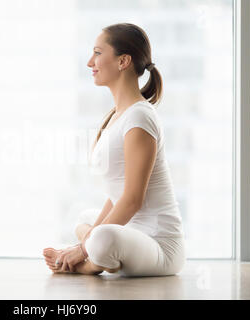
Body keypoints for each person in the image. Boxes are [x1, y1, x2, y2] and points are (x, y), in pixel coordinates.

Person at [43, 23, 186, 277]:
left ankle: (88, 264)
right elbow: (117, 193)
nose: (90, 62)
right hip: (130, 232)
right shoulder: (120, 116)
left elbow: (132, 199)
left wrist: (82, 249)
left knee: (101, 237)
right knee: (84, 217)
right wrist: (83, 243)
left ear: (123, 61)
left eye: (98, 53)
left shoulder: (140, 118)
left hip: (159, 244)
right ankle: (101, 257)